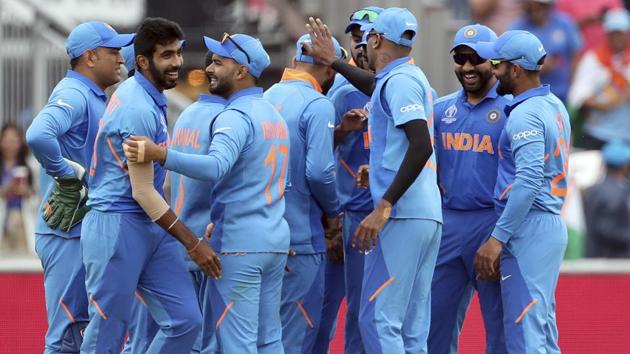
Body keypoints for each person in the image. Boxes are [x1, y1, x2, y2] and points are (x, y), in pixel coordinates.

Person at [123, 32, 290, 353]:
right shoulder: (274, 114)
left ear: (241, 71)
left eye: (219, 62)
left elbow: (215, 168)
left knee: (235, 343)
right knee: (270, 338)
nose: (209, 68)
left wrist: (160, 155)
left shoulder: (232, 116)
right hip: (274, 239)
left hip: (237, 244)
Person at [304, 7, 442, 353]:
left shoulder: (401, 82)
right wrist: (335, 61)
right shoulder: (406, 77)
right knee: (410, 327)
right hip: (424, 213)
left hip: (403, 214)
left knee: (378, 319)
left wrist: (384, 204)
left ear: (377, 39)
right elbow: (375, 85)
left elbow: (421, 145)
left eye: (367, 38)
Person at [81, 18, 221, 353]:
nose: (177, 63)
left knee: (186, 321)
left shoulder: (149, 97)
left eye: (178, 53)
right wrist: (193, 243)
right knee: (106, 336)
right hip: (117, 224)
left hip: (148, 224)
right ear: (142, 62)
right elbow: (142, 191)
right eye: (167, 55)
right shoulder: (137, 107)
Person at [25, 21, 134, 354]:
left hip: (83, 228)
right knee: (67, 337)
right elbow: (38, 135)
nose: (120, 59)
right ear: (90, 56)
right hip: (69, 230)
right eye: (112, 52)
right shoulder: (75, 92)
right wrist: (66, 176)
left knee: (84, 332)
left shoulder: (94, 95)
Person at [475, 30, 571, 353]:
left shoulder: (525, 115)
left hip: (529, 226)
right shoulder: (554, 104)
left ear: (515, 70)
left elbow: (528, 182)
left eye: (497, 64)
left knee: (525, 334)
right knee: (541, 331)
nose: (491, 70)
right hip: (546, 224)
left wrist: (496, 238)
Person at [428, 24, 509, 354]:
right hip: (447, 222)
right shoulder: (440, 109)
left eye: (476, 59)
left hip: (491, 224)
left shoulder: (511, 110)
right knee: (432, 324)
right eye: (461, 58)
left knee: (500, 326)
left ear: (493, 62)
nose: (467, 67)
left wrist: (501, 235)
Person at [264, 33, 342, 354]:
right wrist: (335, 212)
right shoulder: (318, 103)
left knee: (260, 334)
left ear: (296, 60)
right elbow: (320, 171)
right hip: (300, 237)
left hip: (260, 234)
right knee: (293, 335)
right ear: (331, 70)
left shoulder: (266, 96)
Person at [314, 7, 382, 354]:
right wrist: (341, 130)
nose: (359, 45)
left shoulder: (406, 86)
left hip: (393, 214)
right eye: (355, 38)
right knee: (347, 310)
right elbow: (317, 155)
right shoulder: (341, 93)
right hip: (352, 217)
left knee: (381, 312)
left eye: (367, 37)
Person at [568, 8, 630, 148]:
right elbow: (577, 96)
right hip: (597, 133)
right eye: (613, 33)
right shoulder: (593, 59)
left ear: (627, 33)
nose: (617, 38)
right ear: (606, 34)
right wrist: (602, 104)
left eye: (620, 33)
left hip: (627, 136)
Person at [510, 0, 582, 102]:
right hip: (530, 96)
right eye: (531, 5)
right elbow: (511, 62)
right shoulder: (517, 28)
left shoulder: (564, 23)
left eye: (539, 5)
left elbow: (574, 55)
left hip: (563, 92)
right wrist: (536, 66)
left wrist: (574, 87)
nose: (535, 8)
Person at [584, 140, 630, 258]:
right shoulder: (617, 193)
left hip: (594, 255)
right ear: (625, 166)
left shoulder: (594, 190)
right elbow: (607, 229)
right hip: (612, 261)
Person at [0, 123, 35, 253]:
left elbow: (38, 196)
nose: (10, 145)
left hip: (22, 219)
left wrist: (27, 192)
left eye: (14, 140)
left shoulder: (30, 166)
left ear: (20, 142)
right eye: (6, 140)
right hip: (3, 217)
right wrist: (6, 189)